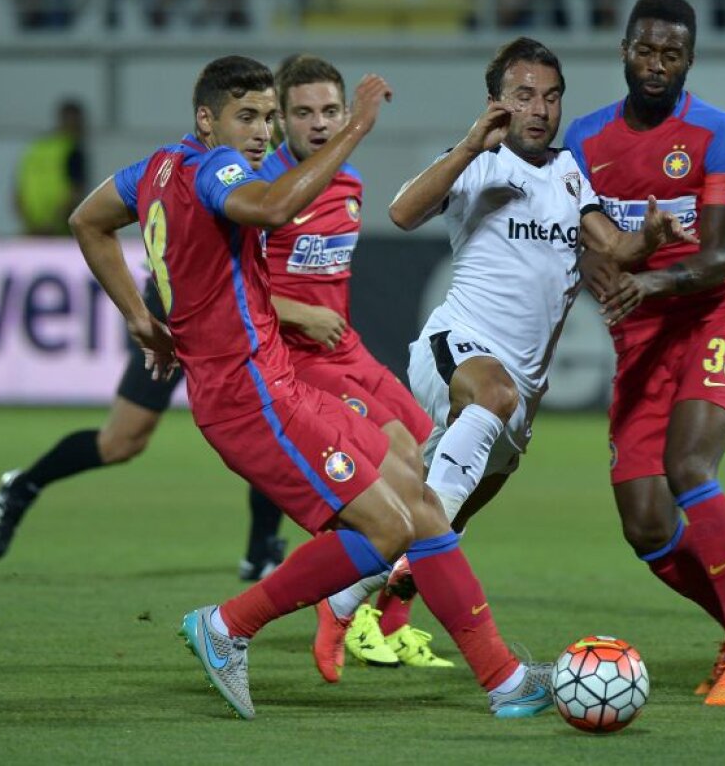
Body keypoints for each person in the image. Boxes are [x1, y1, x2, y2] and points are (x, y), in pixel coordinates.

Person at [70, 54, 553, 721]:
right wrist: (356, 126)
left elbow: (87, 221)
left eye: (269, 116)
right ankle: (229, 625)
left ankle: (505, 680)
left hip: (271, 379)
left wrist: (139, 317)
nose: (262, 131)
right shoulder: (218, 170)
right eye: (248, 116)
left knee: (417, 500)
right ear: (205, 120)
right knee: (384, 528)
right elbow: (268, 208)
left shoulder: (153, 169)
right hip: (248, 394)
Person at [312, 36, 694, 674]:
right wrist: (469, 144)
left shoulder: (570, 172)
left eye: (550, 96)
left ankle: (345, 595)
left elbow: (615, 249)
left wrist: (649, 237)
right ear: (497, 103)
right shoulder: (478, 161)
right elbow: (402, 212)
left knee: (438, 516)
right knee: (488, 405)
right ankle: (392, 616)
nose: (539, 109)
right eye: (523, 96)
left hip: (523, 389)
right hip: (458, 349)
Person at [563, 0, 725, 707]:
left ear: (690, 60)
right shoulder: (584, 142)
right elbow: (583, 242)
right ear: (623, 50)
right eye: (645, 51)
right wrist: (605, 275)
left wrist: (645, 284)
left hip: (716, 316)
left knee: (689, 466)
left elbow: (719, 257)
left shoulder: (724, 132)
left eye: (672, 54)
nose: (656, 66)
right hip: (642, 339)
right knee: (646, 524)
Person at [259, 53, 453, 674]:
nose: (319, 123)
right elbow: (233, 288)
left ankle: (389, 621)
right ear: (282, 118)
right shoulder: (263, 190)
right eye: (304, 112)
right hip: (297, 361)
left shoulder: (348, 181)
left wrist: (325, 319)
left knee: (433, 465)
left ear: (346, 112)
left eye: (330, 111)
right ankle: (346, 608)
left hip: (349, 350)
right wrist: (300, 315)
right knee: (395, 458)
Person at [0, 277, 285, 580]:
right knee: (121, 441)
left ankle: (260, 551)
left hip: (236, 312)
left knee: (267, 421)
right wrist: (138, 314)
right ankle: (24, 486)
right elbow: (91, 227)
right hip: (176, 302)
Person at [14, 99, 88, 236]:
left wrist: (31, 225)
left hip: (31, 229)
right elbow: (76, 192)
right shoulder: (72, 150)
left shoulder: (35, 148)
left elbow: (18, 192)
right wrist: (52, 225)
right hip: (57, 231)